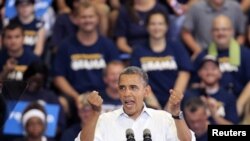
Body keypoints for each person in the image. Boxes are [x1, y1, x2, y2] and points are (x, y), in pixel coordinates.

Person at [74, 66, 195, 141]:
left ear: (146, 91)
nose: (127, 93)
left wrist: (176, 114)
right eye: (122, 88)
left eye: (133, 88)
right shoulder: (105, 120)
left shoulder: (164, 118)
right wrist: (95, 113)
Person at [53, 1, 119, 106]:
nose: (87, 20)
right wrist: (76, 97)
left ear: (97, 19)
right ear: (76, 20)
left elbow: (118, 73)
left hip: (105, 98)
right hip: (75, 96)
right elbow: (58, 77)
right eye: (83, 17)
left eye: (91, 16)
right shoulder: (66, 46)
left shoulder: (108, 45)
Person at [131, 10, 192, 108]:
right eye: (153, 24)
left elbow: (184, 74)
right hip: (148, 100)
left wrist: (172, 103)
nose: (157, 27)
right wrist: (154, 106)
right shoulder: (138, 50)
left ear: (167, 26)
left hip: (176, 99)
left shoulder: (177, 47)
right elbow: (137, 78)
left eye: (160, 24)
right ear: (147, 27)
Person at [193, 15, 250, 116]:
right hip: (209, 107)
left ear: (232, 31)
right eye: (216, 30)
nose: (221, 33)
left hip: (238, 104)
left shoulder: (245, 54)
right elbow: (193, 84)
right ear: (211, 32)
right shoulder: (203, 55)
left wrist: (238, 106)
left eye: (224, 29)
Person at [182, 0, 246, 59]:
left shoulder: (235, 7)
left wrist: (235, 50)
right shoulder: (196, 8)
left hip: (232, 54)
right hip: (205, 54)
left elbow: (242, 34)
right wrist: (199, 52)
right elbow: (185, 33)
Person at [188, 55, 239, 124]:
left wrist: (214, 114)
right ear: (199, 73)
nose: (209, 72)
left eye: (213, 68)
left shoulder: (229, 97)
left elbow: (235, 131)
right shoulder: (191, 96)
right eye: (205, 69)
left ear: (220, 73)